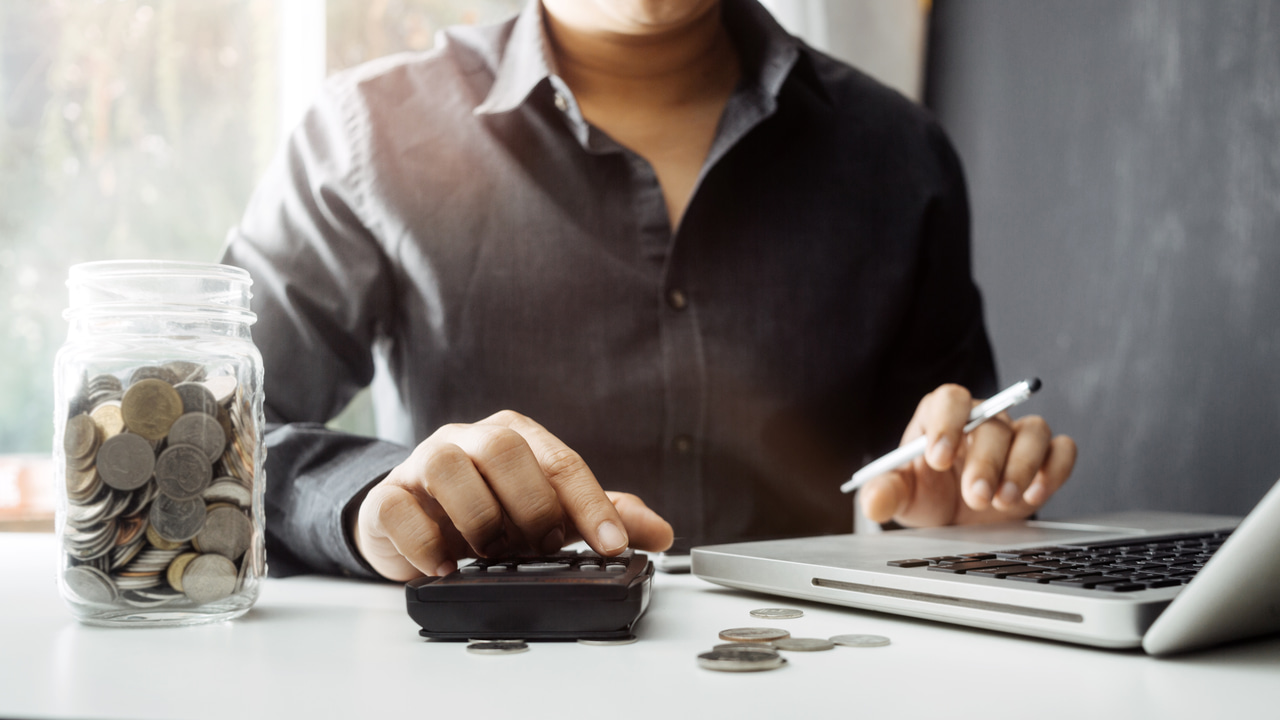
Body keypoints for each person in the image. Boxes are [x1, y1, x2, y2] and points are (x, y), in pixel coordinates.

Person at [221, 0, 1077, 582]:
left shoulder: (900, 154)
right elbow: (223, 438)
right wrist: (373, 502)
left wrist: (954, 513)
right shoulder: (365, 135)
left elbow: (939, 467)